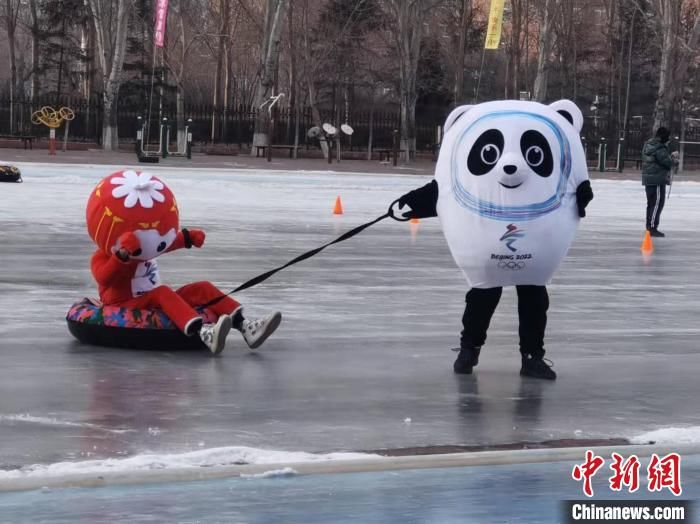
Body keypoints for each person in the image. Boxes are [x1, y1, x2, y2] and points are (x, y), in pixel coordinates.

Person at [395, 99, 593, 380]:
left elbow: (577, 185)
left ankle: (531, 356)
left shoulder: (559, 132)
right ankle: (469, 349)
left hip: (536, 250)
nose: (510, 163)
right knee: (484, 295)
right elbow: (443, 190)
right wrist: (411, 203)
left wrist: (582, 192)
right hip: (487, 248)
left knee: (531, 298)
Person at [86, 170, 282, 354]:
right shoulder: (101, 256)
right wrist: (121, 256)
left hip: (150, 298)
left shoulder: (146, 250)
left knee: (201, 288)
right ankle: (203, 332)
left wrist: (187, 238)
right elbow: (105, 278)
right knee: (163, 293)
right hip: (125, 304)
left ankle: (245, 325)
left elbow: (162, 244)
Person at [641, 127, 675, 237]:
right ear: (662, 136)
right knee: (657, 204)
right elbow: (667, 162)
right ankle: (652, 228)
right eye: (668, 136)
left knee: (651, 203)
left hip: (649, 180)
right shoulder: (660, 147)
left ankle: (649, 226)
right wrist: (674, 158)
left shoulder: (649, 145)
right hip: (657, 180)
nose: (669, 139)